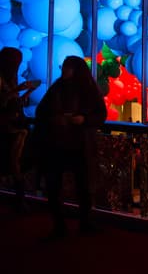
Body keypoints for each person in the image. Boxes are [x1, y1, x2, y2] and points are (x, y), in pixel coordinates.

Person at [35, 55, 107, 238]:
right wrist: (55, 119)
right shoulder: (57, 87)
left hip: (79, 144)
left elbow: (101, 114)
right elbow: (41, 111)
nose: (64, 71)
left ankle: (84, 221)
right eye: (63, 67)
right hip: (57, 143)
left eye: (67, 67)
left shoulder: (88, 90)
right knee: (54, 186)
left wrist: (84, 120)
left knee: (83, 185)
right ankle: (59, 224)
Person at [0, 46, 38, 212]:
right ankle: (19, 200)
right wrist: (17, 91)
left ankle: (19, 199)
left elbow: (14, 102)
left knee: (14, 162)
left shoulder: (10, 79)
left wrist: (27, 91)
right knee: (13, 162)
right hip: (6, 127)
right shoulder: (4, 79)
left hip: (15, 125)